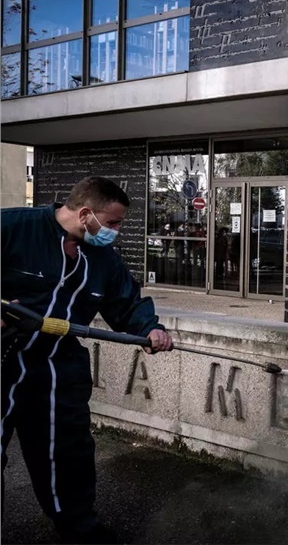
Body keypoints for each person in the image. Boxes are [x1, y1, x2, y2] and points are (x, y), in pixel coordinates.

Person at [0, 176, 173, 544]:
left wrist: (150, 329)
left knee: (68, 453)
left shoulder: (102, 259)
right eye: (112, 223)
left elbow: (125, 301)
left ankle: (79, 527)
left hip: (56, 367)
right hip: (3, 360)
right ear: (84, 213)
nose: (116, 231)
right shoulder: (13, 227)